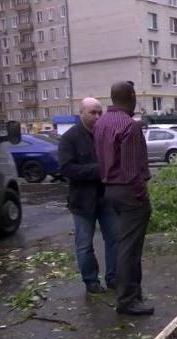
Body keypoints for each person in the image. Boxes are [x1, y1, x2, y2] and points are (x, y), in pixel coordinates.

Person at [94, 81, 154, 316]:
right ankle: (127, 300)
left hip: (110, 190)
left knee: (124, 244)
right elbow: (131, 171)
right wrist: (142, 196)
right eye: (135, 94)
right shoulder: (129, 126)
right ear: (131, 96)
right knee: (129, 248)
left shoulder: (101, 123)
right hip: (130, 193)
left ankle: (132, 293)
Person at [59, 97, 117, 294]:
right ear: (81, 113)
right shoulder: (69, 138)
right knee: (84, 244)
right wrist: (98, 170)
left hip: (106, 198)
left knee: (114, 239)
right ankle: (91, 281)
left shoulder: (105, 135)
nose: (98, 116)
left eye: (100, 112)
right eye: (93, 112)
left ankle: (114, 278)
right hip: (82, 201)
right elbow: (67, 169)